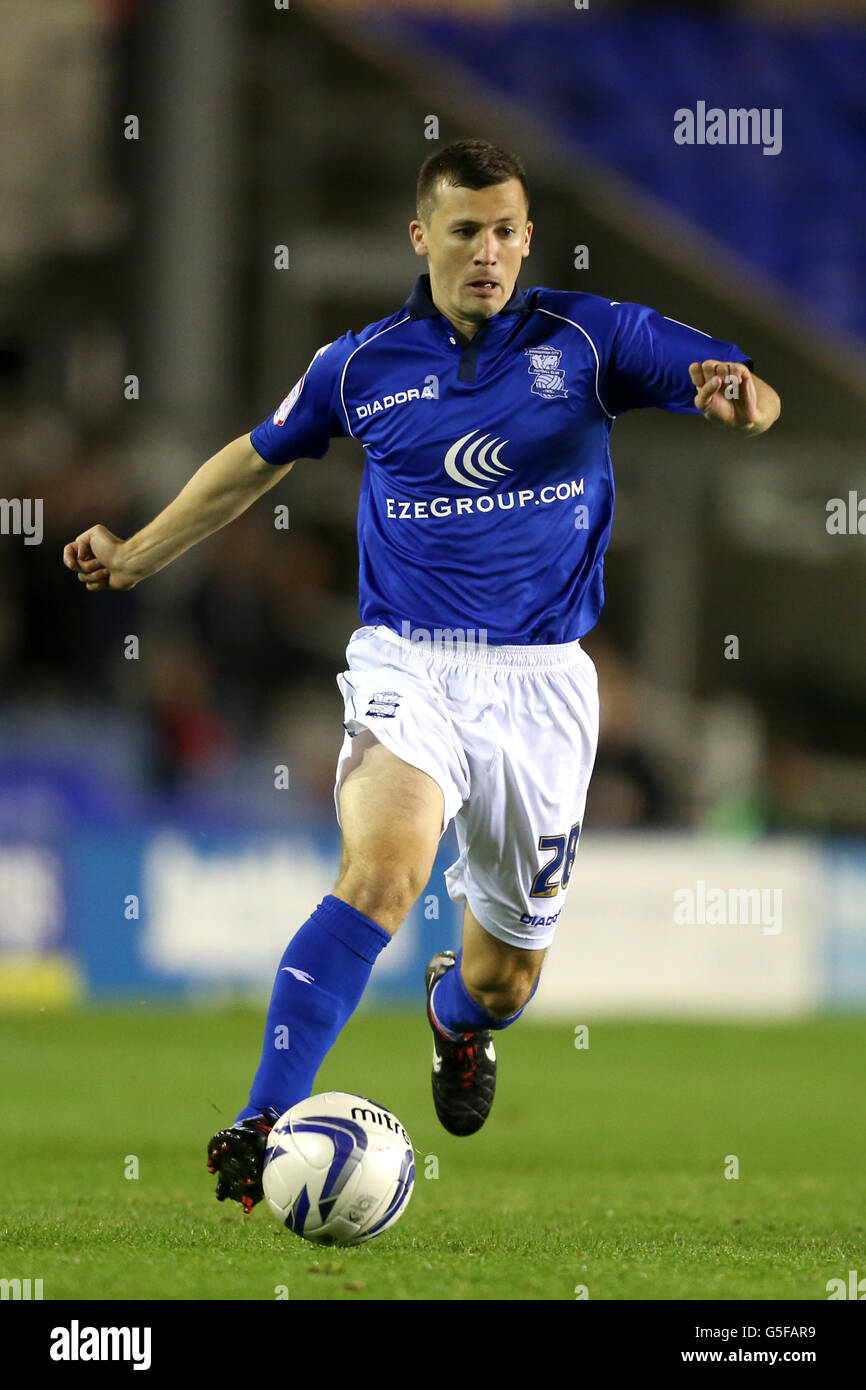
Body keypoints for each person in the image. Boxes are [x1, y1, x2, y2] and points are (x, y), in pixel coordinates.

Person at [63, 139, 780, 1213]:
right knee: (386, 869)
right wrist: (136, 553)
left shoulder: (590, 338)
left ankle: (456, 1021)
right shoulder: (357, 366)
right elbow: (250, 461)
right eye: (463, 232)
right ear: (421, 238)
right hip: (411, 664)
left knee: (506, 978)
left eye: (504, 232)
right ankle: (260, 1120)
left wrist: (742, 404)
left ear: (526, 237)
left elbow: (745, 390)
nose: (487, 253)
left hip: (543, 683)